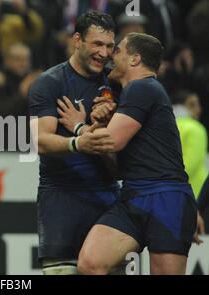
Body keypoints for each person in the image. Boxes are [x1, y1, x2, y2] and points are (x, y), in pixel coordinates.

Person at [74, 33, 198, 275]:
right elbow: (117, 163)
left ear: (134, 59)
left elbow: (112, 141)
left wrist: (79, 127)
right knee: (90, 264)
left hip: (166, 198)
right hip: (134, 195)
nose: (111, 54)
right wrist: (99, 126)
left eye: (118, 50)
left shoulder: (143, 87)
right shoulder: (135, 93)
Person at [28, 11, 117, 275]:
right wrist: (79, 143)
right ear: (77, 40)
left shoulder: (117, 82)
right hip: (61, 197)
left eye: (110, 46)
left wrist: (84, 128)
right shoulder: (48, 84)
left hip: (108, 195)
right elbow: (38, 141)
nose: (104, 53)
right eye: (97, 44)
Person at [172, 90, 208, 197]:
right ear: (180, 106)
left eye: (198, 104)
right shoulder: (195, 128)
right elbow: (190, 165)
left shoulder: (165, 126)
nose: (198, 109)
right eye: (192, 105)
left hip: (172, 190)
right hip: (195, 190)